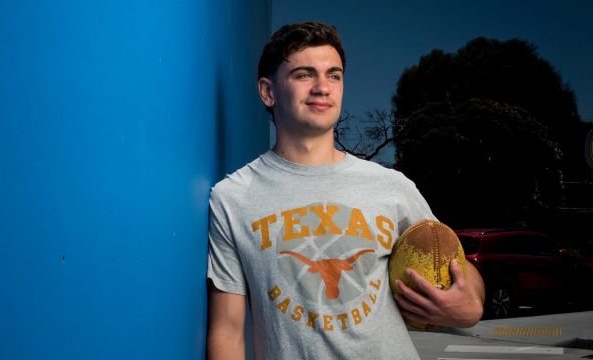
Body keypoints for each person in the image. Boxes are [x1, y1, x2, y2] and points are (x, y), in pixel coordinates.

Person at [206, 21, 485, 360]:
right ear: (268, 91)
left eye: (334, 75)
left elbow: (459, 266)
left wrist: (469, 304)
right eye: (304, 75)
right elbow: (228, 331)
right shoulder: (233, 198)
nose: (323, 87)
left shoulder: (391, 186)